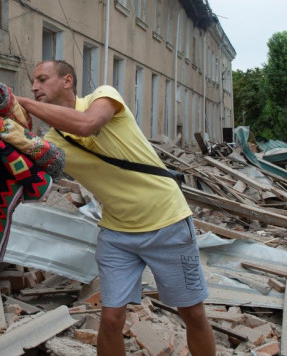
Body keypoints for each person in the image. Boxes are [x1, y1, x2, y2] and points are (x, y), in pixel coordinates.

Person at [16, 60, 215, 356]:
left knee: (193, 313)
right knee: (110, 318)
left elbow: (86, 125)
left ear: (67, 80)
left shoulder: (104, 97)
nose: (34, 87)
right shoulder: (50, 144)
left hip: (167, 221)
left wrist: (21, 103)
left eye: (42, 79)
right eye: (33, 83)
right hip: (117, 233)